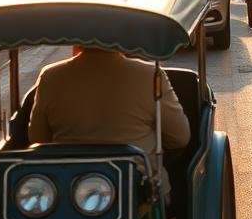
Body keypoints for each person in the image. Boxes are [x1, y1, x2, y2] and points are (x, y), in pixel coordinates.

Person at [28, 47, 190, 198]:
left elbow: (38, 139)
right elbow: (180, 137)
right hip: (137, 190)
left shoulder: (50, 76)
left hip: (69, 190)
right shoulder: (150, 74)